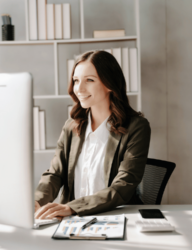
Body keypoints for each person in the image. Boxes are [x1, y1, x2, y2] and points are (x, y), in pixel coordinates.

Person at [34, 50, 151, 219]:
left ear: (109, 84)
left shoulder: (136, 127)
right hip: (72, 220)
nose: (79, 89)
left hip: (115, 217)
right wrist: (37, 201)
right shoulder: (71, 127)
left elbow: (123, 186)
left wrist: (73, 207)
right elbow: (55, 173)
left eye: (89, 80)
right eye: (76, 80)